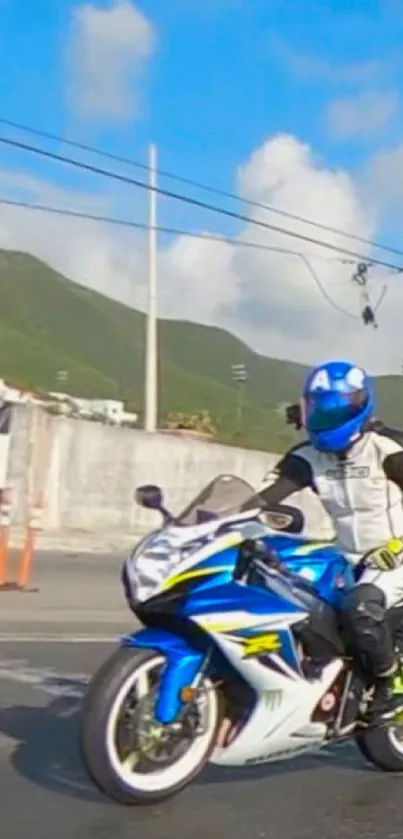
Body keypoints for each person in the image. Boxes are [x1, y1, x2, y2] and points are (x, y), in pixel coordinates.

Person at [244, 360, 403, 724]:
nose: (326, 415)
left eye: (336, 406)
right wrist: (215, 520)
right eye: (319, 406)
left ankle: (390, 684)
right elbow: (267, 496)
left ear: (360, 404)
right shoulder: (309, 457)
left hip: (395, 556)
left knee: (361, 610)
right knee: (285, 592)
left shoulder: (386, 449)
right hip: (346, 556)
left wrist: (397, 547)